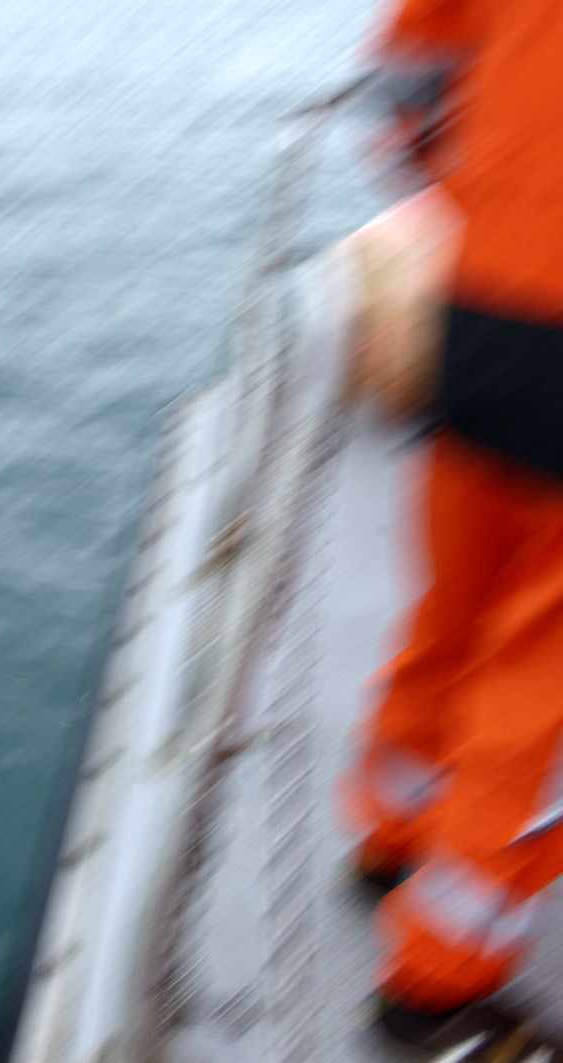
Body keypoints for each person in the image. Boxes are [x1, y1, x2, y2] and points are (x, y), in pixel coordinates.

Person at [339, 0, 563, 1045]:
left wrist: (486, 191)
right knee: (545, 692)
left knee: (459, 601)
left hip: (479, 305)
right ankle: (440, 977)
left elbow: (407, 69)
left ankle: (391, 830)